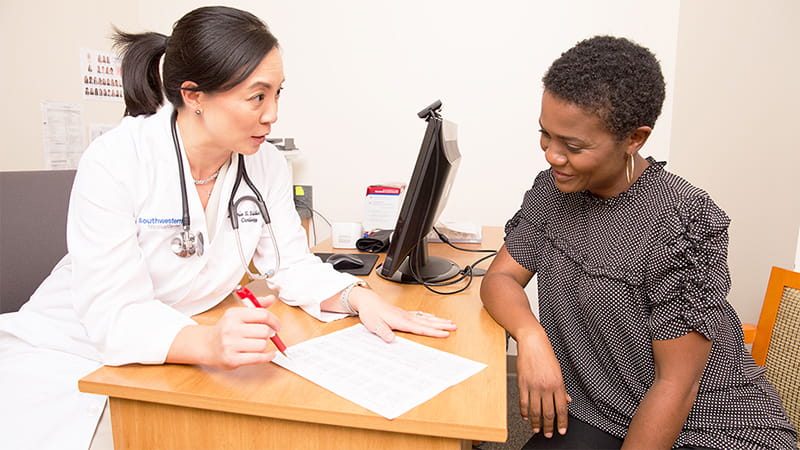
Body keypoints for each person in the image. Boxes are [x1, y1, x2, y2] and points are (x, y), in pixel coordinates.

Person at [0, 6, 456, 450]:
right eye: (257, 96)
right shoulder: (118, 160)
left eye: (278, 93)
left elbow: (290, 266)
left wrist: (361, 298)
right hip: (69, 354)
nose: (273, 113)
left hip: (182, 344)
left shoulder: (266, 164)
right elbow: (114, 316)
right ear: (194, 95)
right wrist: (207, 343)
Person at [480, 35, 797, 449]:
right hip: (601, 411)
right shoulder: (552, 192)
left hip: (707, 427)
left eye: (573, 146)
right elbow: (499, 278)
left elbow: (675, 387)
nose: (552, 155)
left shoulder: (683, 220)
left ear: (634, 139)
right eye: (546, 135)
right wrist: (530, 336)